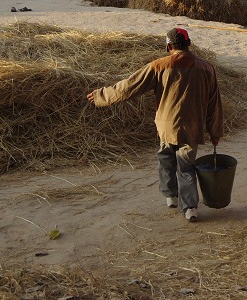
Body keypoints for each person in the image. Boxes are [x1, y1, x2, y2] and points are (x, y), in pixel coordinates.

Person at [86, 28, 223, 222]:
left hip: (166, 126)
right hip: (193, 127)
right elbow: (214, 102)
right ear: (189, 44)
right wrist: (215, 130)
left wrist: (101, 96)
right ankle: (190, 208)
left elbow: (128, 87)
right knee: (186, 166)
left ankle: (170, 196)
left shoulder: (159, 66)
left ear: (169, 46)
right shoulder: (206, 68)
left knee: (166, 160)